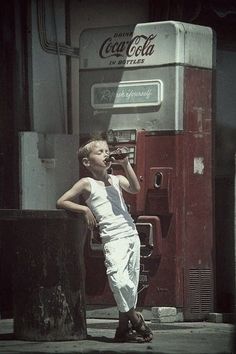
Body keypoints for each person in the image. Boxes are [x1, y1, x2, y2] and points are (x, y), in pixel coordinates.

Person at [56, 135, 153, 343]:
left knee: (130, 282)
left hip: (131, 234)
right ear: (87, 162)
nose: (106, 154)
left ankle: (122, 330)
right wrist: (84, 209)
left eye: (106, 151)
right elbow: (61, 201)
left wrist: (126, 164)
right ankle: (136, 320)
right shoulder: (86, 183)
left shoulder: (116, 179)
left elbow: (135, 188)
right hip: (113, 238)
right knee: (119, 281)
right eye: (99, 152)